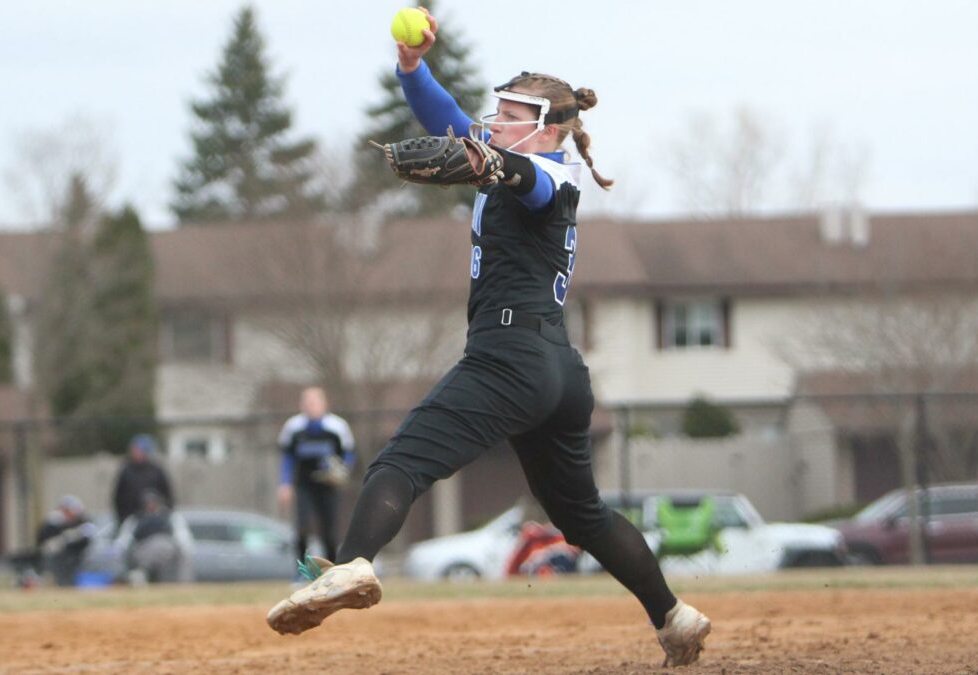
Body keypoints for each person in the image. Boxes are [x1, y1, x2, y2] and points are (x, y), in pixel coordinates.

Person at [267, 8, 711, 667]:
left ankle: (354, 564)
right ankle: (676, 617)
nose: (495, 121)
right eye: (497, 112)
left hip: (510, 357)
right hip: (556, 369)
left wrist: (492, 161)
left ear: (550, 127)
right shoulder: (501, 151)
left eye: (510, 115)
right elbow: (449, 118)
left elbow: (523, 181)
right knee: (582, 516)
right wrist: (412, 69)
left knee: (399, 463)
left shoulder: (554, 173)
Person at [276, 386, 356, 564]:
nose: (311, 406)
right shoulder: (293, 427)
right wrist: (285, 483)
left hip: (328, 484)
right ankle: (302, 571)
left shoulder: (337, 427)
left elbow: (349, 454)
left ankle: (333, 570)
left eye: (315, 402)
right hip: (304, 483)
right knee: (302, 528)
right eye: (307, 402)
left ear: (324, 404)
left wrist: (342, 471)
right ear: (301, 405)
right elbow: (287, 457)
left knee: (329, 532)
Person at [116, 489, 194, 585]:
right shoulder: (135, 519)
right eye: (148, 503)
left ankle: (184, 584)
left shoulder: (169, 517)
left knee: (180, 555)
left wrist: (185, 548)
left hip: (167, 551)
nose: (150, 505)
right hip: (143, 551)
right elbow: (125, 540)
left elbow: (182, 536)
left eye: (153, 502)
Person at [112, 434, 174, 526]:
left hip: (154, 521)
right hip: (131, 520)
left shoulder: (156, 471)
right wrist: (122, 518)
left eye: (137, 450)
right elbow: (118, 497)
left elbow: (168, 496)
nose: (134, 452)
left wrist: (164, 514)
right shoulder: (126, 471)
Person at [35, 495, 96, 587]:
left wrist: (68, 539)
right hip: (56, 557)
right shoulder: (53, 522)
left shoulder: (83, 523)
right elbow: (42, 540)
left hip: (75, 557)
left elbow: (87, 538)